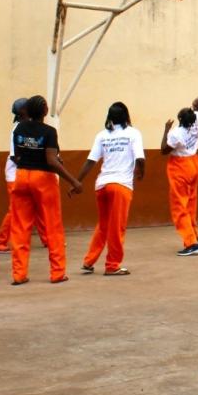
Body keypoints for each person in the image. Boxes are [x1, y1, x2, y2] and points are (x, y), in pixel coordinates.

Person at [9, 95, 81, 285]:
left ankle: (19, 274)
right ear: (43, 111)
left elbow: (17, 156)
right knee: (52, 226)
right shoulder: (49, 131)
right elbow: (51, 160)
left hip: (22, 175)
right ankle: (57, 273)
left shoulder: (19, 129)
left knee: (20, 227)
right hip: (43, 179)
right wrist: (73, 181)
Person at [77, 102, 145, 276]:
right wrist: (141, 172)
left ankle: (89, 261)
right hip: (121, 186)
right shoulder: (133, 133)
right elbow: (140, 158)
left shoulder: (102, 135)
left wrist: (76, 182)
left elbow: (90, 161)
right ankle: (112, 265)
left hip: (102, 185)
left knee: (104, 225)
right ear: (126, 116)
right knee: (117, 227)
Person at [0, 98, 48, 253]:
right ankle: (0, 242)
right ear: (23, 111)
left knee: (38, 207)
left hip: (25, 172)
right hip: (16, 174)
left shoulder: (27, 127)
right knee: (15, 210)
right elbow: (14, 156)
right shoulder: (18, 129)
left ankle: (47, 239)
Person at [162, 96, 198, 256]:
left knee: (179, 206)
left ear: (180, 119)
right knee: (191, 203)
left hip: (180, 166)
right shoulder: (196, 123)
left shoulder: (175, 134)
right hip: (195, 163)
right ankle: (195, 236)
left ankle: (191, 243)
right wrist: (197, 104)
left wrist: (166, 129)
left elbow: (163, 150)